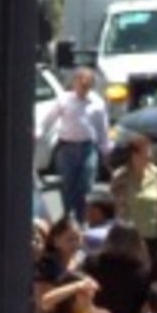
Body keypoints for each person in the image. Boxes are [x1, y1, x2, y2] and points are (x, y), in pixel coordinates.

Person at [41, 68, 113, 221]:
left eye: (87, 84)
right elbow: (49, 120)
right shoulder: (64, 100)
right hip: (67, 148)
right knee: (67, 188)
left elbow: (102, 130)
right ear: (74, 83)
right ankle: (64, 222)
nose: (83, 87)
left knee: (86, 187)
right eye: (80, 82)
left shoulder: (97, 104)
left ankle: (81, 222)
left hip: (88, 149)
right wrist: (38, 133)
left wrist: (106, 151)